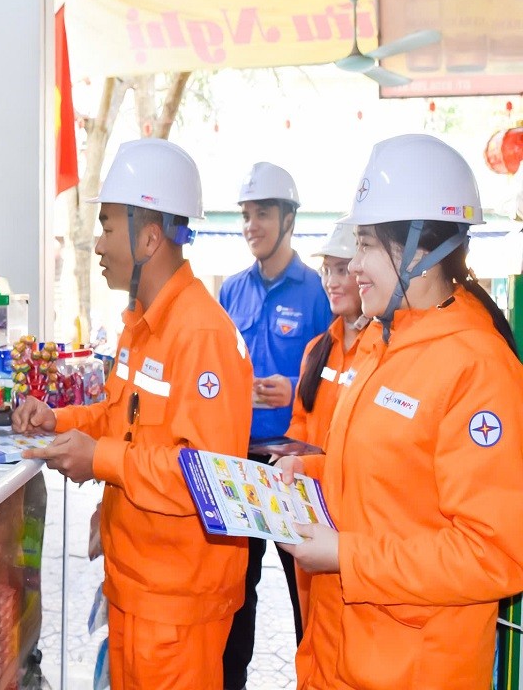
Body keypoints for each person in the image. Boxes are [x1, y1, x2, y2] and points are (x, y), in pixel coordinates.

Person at [279, 134, 523, 690]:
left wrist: (348, 556)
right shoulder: (382, 342)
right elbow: (394, 481)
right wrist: (311, 473)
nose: (353, 265)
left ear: (419, 252)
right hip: (339, 656)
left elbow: (494, 554)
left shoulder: (477, 367)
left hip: (414, 670)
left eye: (366, 245)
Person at [13, 138, 253, 690]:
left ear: (148, 238)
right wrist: (59, 421)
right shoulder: (143, 324)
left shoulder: (201, 335)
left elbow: (205, 475)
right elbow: (121, 418)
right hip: (136, 585)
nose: (97, 244)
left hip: (177, 603)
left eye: (107, 227)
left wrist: (99, 459)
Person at [218, 162, 331, 689]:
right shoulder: (231, 292)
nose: (251, 225)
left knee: (304, 589)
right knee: (235, 593)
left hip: (293, 468)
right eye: (246, 215)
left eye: (262, 213)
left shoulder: (318, 292)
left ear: (288, 219)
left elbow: (337, 372)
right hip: (238, 458)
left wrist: (294, 385)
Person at [285, 223, 368, 626]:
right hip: (309, 513)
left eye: (341, 270)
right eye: (326, 271)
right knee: (308, 627)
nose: (331, 282)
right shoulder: (316, 351)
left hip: (354, 529)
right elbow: (299, 426)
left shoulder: (383, 354)